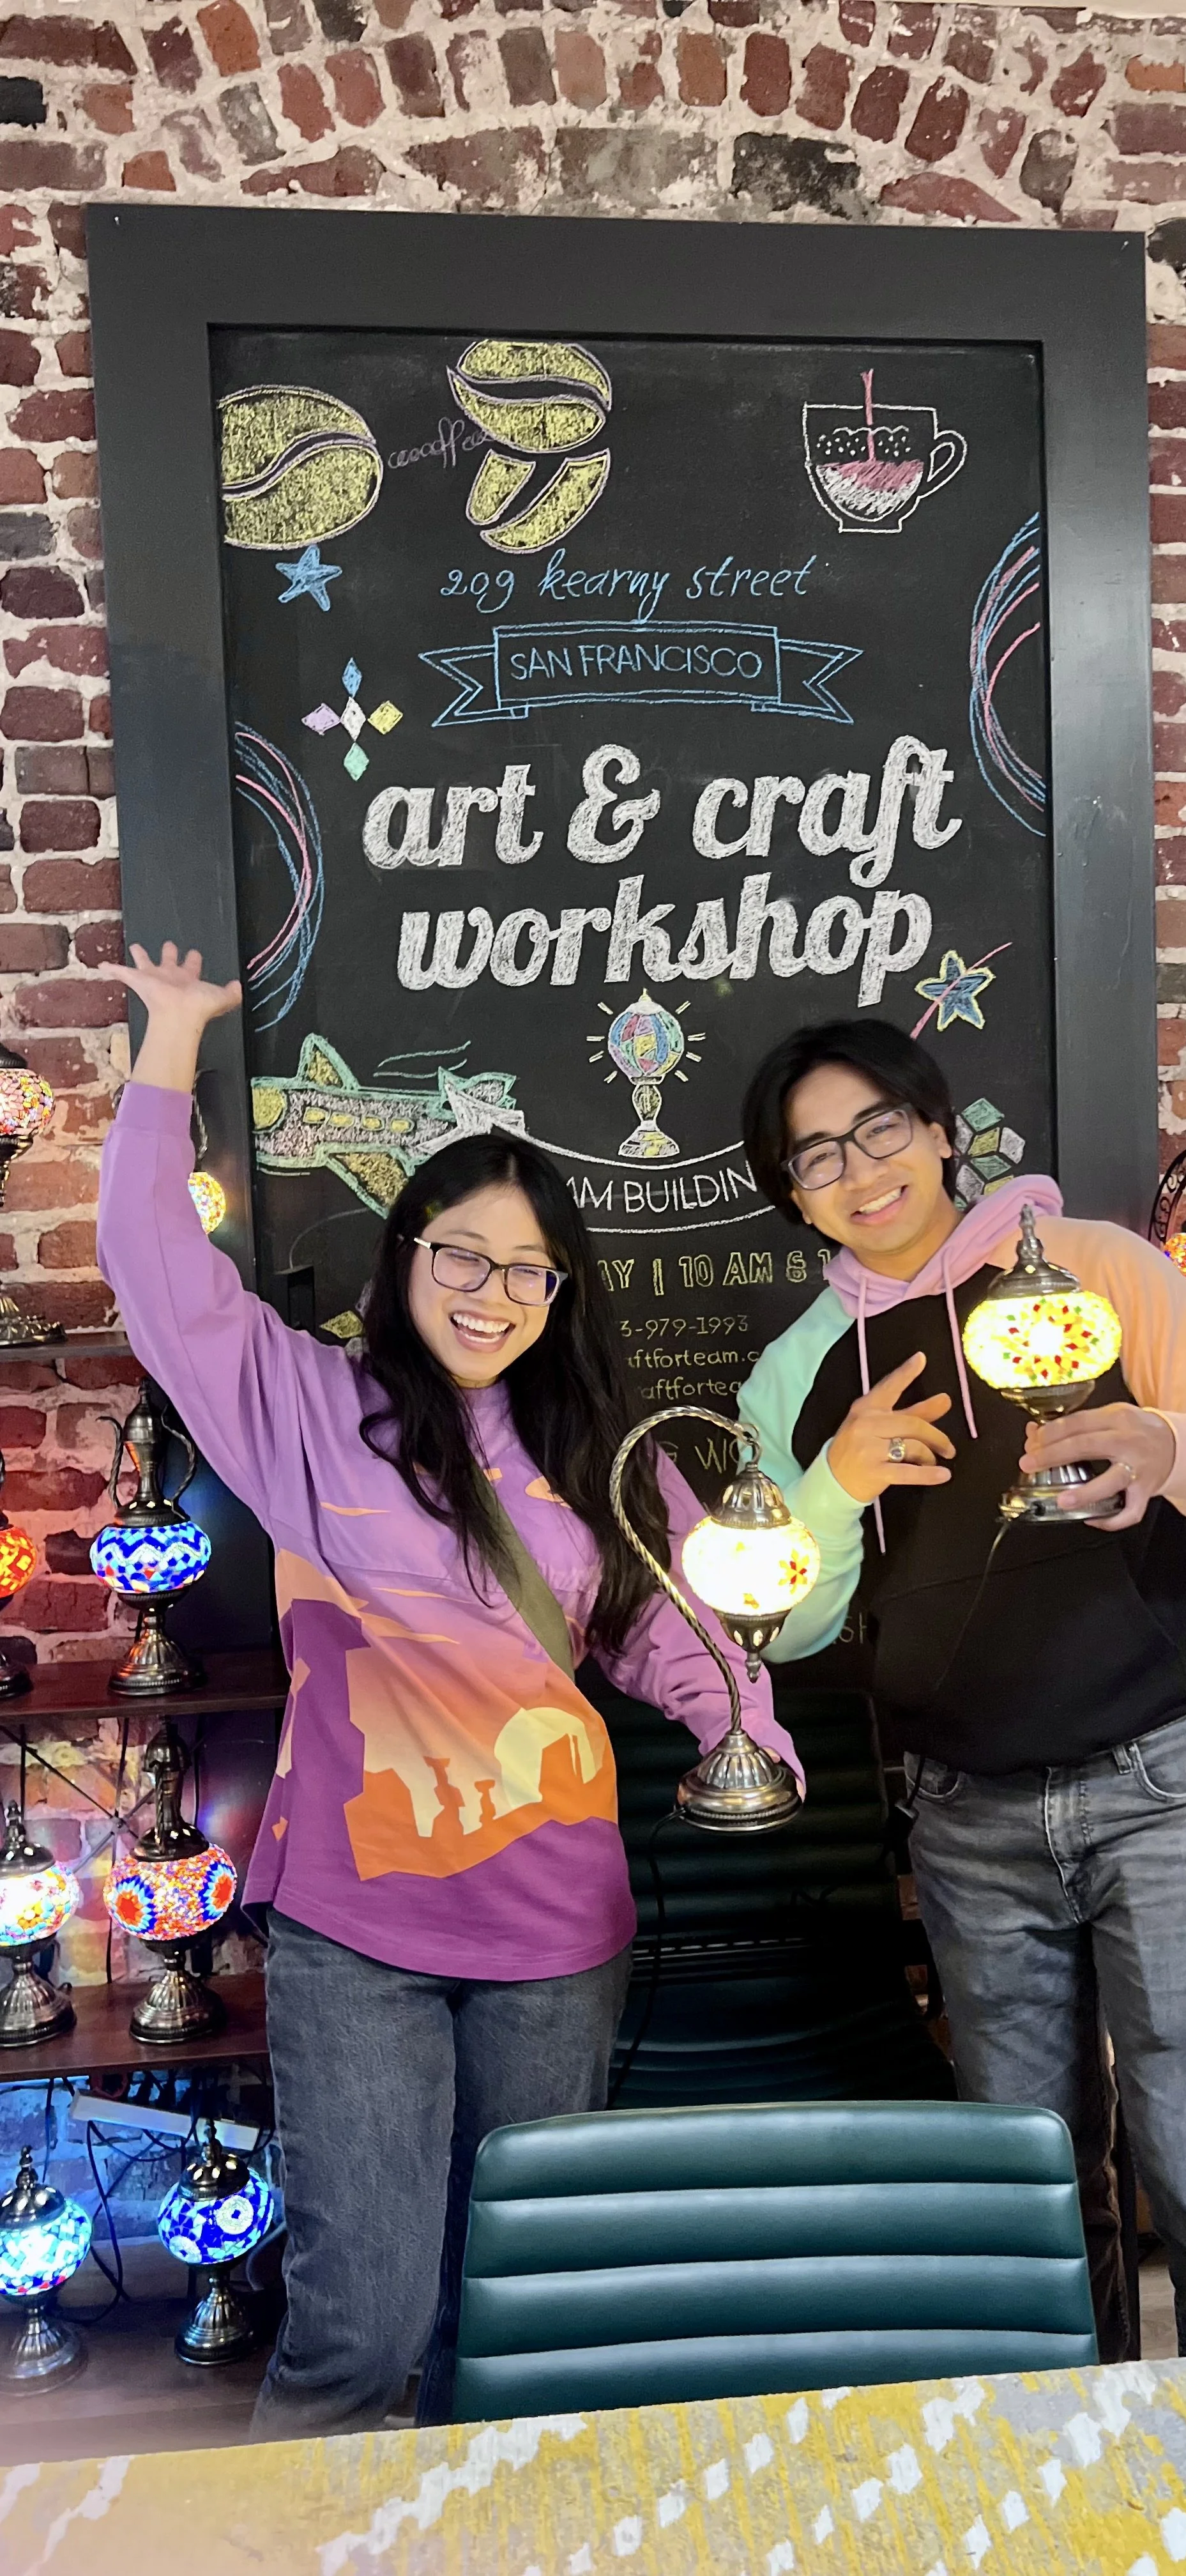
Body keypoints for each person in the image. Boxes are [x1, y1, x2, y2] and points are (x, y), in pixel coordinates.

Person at [98, 942, 801, 2437]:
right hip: (358, 1926)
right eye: (463, 1256)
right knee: (364, 2329)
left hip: (557, 1927)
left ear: (562, 1287)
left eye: (528, 1268)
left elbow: (681, 1626)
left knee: (521, 2308)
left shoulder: (600, 1442)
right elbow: (159, 1276)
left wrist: (751, 1727)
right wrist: (168, 1050)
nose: (495, 1293)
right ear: (404, 1255)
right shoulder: (308, 1407)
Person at [735, 1018, 1186, 2361]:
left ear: (941, 1130)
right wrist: (837, 1481)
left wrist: (1164, 1443)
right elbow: (783, 1624)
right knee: (1039, 2190)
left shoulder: (1096, 1271)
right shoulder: (797, 1371)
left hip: (1170, 1775)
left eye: (881, 1127)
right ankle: (1079, 2482)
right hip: (968, 1812)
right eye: (815, 1156)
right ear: (791, 1192)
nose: (858, 1170)